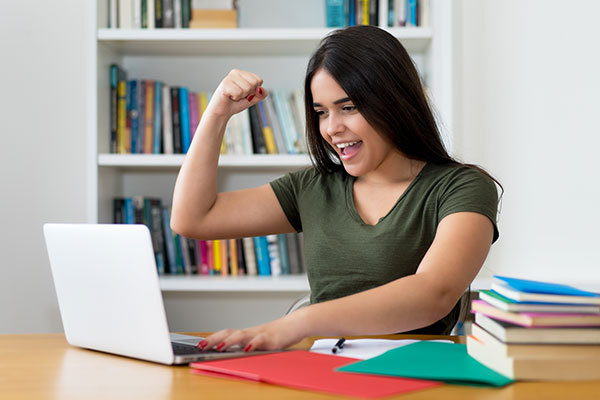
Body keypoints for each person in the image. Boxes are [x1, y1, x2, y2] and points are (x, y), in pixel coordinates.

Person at [170, 25, 500, 352]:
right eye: (321, 112)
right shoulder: (312, 188)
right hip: (325, 370)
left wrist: (301, 322)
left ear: (394, 102)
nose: (331, 128)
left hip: (417, 375)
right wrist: (217, 114)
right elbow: (193, 218)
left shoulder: (462, 188)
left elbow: (433, 294)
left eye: (348, 108)